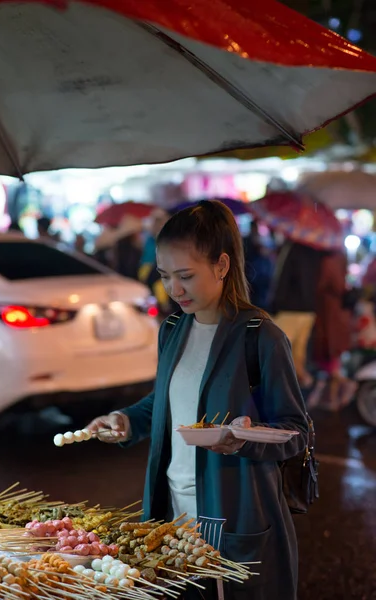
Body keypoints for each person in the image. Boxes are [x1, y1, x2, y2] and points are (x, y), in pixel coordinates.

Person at [86, 201, 308, 600]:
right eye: (165, 276)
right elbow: (166, 402)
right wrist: (124, 420)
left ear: (222, 266)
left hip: (234, 516)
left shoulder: (261, 337)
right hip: (171, 515)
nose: (174, 289)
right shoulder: (171, 328)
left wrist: (244, 437)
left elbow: (296, 431)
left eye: (186, 275)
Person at [270, 240, 323, 388]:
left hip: (289, 309)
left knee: (278, 352)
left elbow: (283, 277)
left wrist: (275, 304)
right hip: (309, 310)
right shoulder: (315, 251)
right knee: (298, 355)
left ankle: (278, 390)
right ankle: (298, 391)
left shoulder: (291, 248)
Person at [308, 251, 357, 410]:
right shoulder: (338, 258)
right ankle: (334, 399)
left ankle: (346, 388)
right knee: (332, 363)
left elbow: (331, 283)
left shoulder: (330, 260)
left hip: (329, 315)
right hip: (333, 315)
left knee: (331, 362)